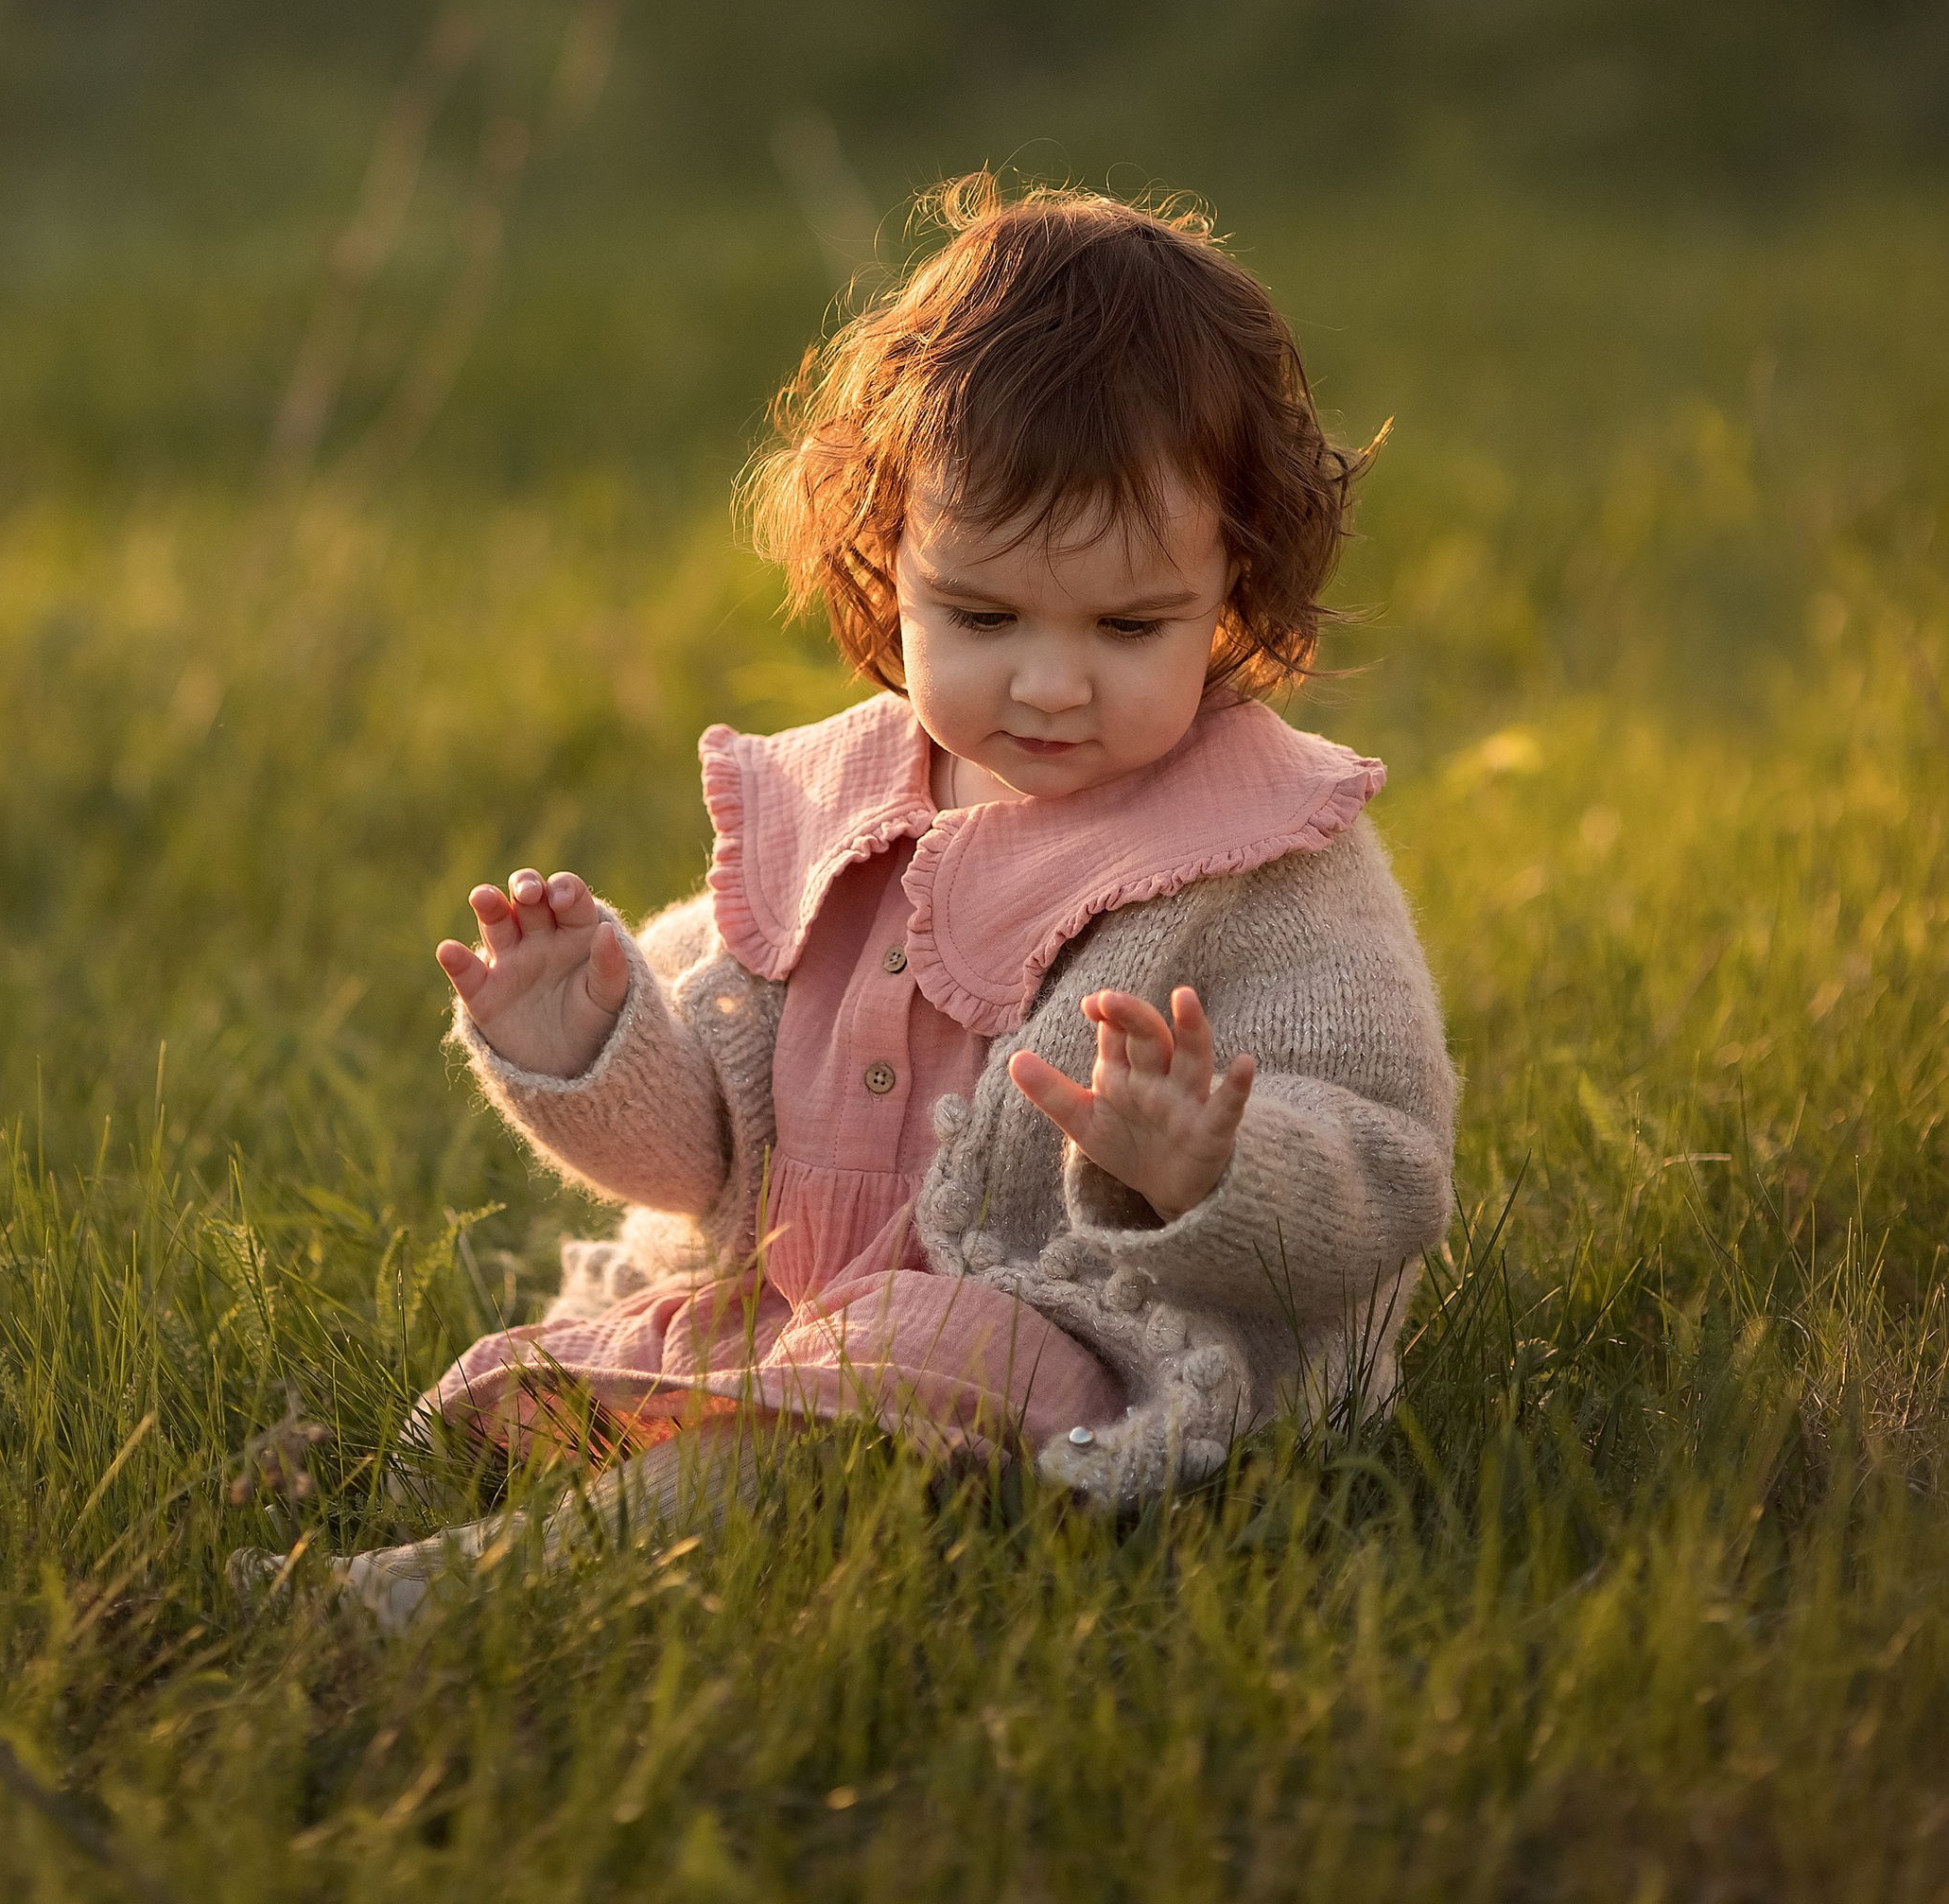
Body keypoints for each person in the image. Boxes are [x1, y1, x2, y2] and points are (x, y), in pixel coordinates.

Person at [339, 176, 1455, 1630]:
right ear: (890, 558)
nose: (1047, 683)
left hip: (1085, 1346)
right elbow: (708, 1164)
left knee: (835, 1416)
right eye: (981, 616)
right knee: (578, 1391)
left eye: (1130, 627)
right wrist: (588, 1047)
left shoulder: (1263, 854)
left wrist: (1208, 1167)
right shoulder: (834, 816)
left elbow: (1390, 1172)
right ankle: (414, 1521)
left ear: (1234, 588)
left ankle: (462, 1595)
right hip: (800, 1320)